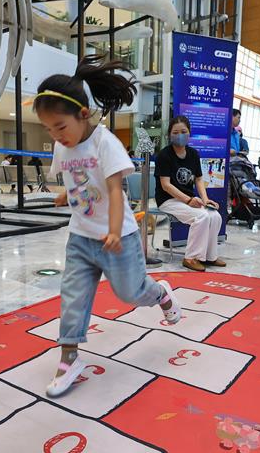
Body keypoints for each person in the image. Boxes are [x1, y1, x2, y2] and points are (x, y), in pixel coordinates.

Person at [35, 55, 182, 397]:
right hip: (81, 238)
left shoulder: (105, 143)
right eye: (49, 129)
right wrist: (64, 195)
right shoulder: (63, 146)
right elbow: (76, 180)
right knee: (72, 297)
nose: (57, 135)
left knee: (129, 293)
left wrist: (114, 230)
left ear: (82, 114)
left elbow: (116, 191)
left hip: (119, 237)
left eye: (60, 126)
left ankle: (161, 293)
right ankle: (69, 358)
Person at [155, 115, 226, 272]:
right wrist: (188, 200)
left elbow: (199, 179)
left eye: (183, 131)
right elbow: (166, 185)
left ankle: (209, 256)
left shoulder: (193, 154)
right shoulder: (164, 155)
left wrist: (205, 200)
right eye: (175, 132)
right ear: (169, 135)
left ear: (189, 133)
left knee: (215, 216)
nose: (179, 135)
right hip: (168, 200)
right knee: (201, 217)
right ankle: (191, 257)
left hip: (188, 199)